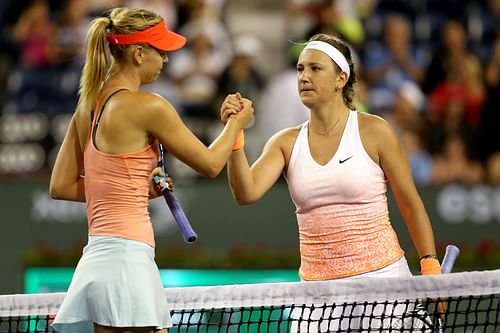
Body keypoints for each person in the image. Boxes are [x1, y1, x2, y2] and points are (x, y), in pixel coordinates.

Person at [49, 7, 253, 333]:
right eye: (161, 51)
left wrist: (135, 190)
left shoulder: (87, 107)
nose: (167, 59)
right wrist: (235, 124)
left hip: (98, 262)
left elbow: (60, 186)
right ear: (139, 53)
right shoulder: (149, 107)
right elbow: (212, 163)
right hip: (128, 263)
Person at [220, 33, 441, 331]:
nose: (304, 77)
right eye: (300, 69)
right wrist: (235, 134)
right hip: (317, 296)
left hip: (383, 283)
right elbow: (245, 192)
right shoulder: (285, 142)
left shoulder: (374, 130)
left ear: (340, 79)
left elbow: (411, 205)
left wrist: (430, 267)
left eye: (315, 68)